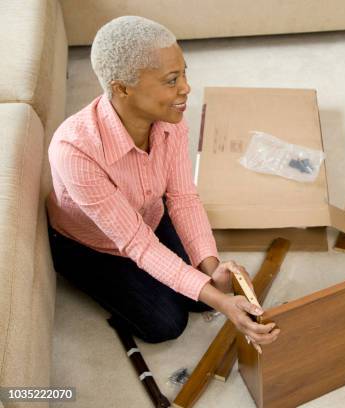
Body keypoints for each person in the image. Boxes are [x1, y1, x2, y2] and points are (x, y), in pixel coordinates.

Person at [47, 16, 279, 349]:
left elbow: (183, 198)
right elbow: (137, 244)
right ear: (122, 88)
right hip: (92, 244)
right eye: (172, 80)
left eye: (184, 73)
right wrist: (225, 304)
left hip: (148, 214)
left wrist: (212, 268)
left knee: (204, 293)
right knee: (167, 323)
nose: (185, 88)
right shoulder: (75, 151)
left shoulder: (171, 119)